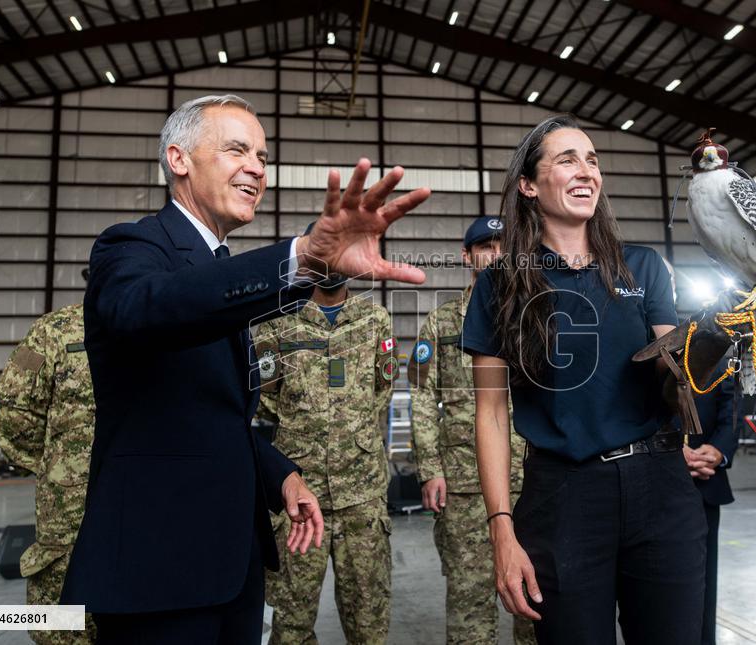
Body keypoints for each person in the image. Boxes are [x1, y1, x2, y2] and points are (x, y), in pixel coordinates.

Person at [60, 94, 430, 645]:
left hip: (233, 566)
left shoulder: (221, 269)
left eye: (262, 155)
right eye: (238, 149)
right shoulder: (132, 247)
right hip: (159, 570)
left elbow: (209, 412)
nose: (258, 167)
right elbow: (149, 307)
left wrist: (279, 473)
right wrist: (300, 259)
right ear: (179, 159)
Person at [462, 114, 707, 644]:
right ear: (528, 185)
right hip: (564, 497)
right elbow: (491, 412)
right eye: (567, 159)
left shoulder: (642, 268)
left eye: (593, 160)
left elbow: (671, 369)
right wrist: (501, 527)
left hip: (661, 488)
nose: (587, 170)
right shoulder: (500, 285)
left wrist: (706, 351)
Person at [254, 224, 397, 644]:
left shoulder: (375, 320)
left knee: (368, 622)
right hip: (299, 496)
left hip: (363, 499)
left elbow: (380, 390)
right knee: (290, 625)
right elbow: (264, 400)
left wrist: (348, 434)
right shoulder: (278, 324)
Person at [409, 216, 535, 644]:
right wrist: (430, 468)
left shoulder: (535, 315)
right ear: (468, 256)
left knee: (537, 605)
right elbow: (423, 396)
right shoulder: (443, 323)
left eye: (503, 245)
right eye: (485, 246)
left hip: (535, 478)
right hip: (464, 484)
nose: (495, 254)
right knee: (469, 601)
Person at [0, 301, 96, 645]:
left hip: (67, 508)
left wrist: (59, 467)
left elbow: (16, 421)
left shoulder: (54, 328)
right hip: (152, 506)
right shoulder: (170, 325)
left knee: (64, 623)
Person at [682, 355, 738, 645]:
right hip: (655, 480)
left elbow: (732, 414)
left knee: (703, 584)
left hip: (705, 485)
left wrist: (718, 451)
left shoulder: (720, 361)